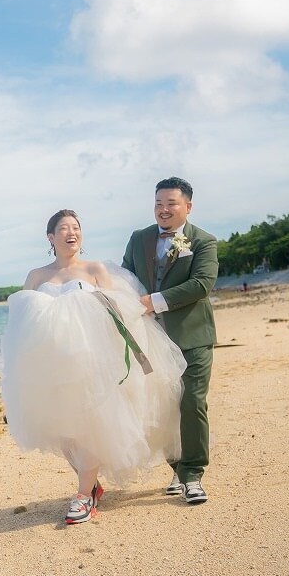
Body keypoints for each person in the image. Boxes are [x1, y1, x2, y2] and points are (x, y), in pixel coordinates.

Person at [1, 209, 186, 525]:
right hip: (53, 369)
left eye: (76, 227)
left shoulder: (95, 269)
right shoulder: (37, 276)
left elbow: (122, 312)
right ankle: (92, 485)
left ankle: (84, 496)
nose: (71, 232)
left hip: (95, 365)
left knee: (92, 424)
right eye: (63, 228)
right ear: (50, 237)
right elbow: (21, 327)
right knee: (64, 431)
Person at [121, 177, 218, 505]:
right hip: (152, 339)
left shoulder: (204, 241)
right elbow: (126, 278)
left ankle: (193, 474)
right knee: (163, 408)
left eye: (171, 204)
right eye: (158, 203)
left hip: (193, 337)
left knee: (191, 401)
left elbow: (202, 284)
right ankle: (176, 467)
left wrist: (153, 301)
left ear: (188, 206)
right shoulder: (139, 239)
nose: (163, 210)